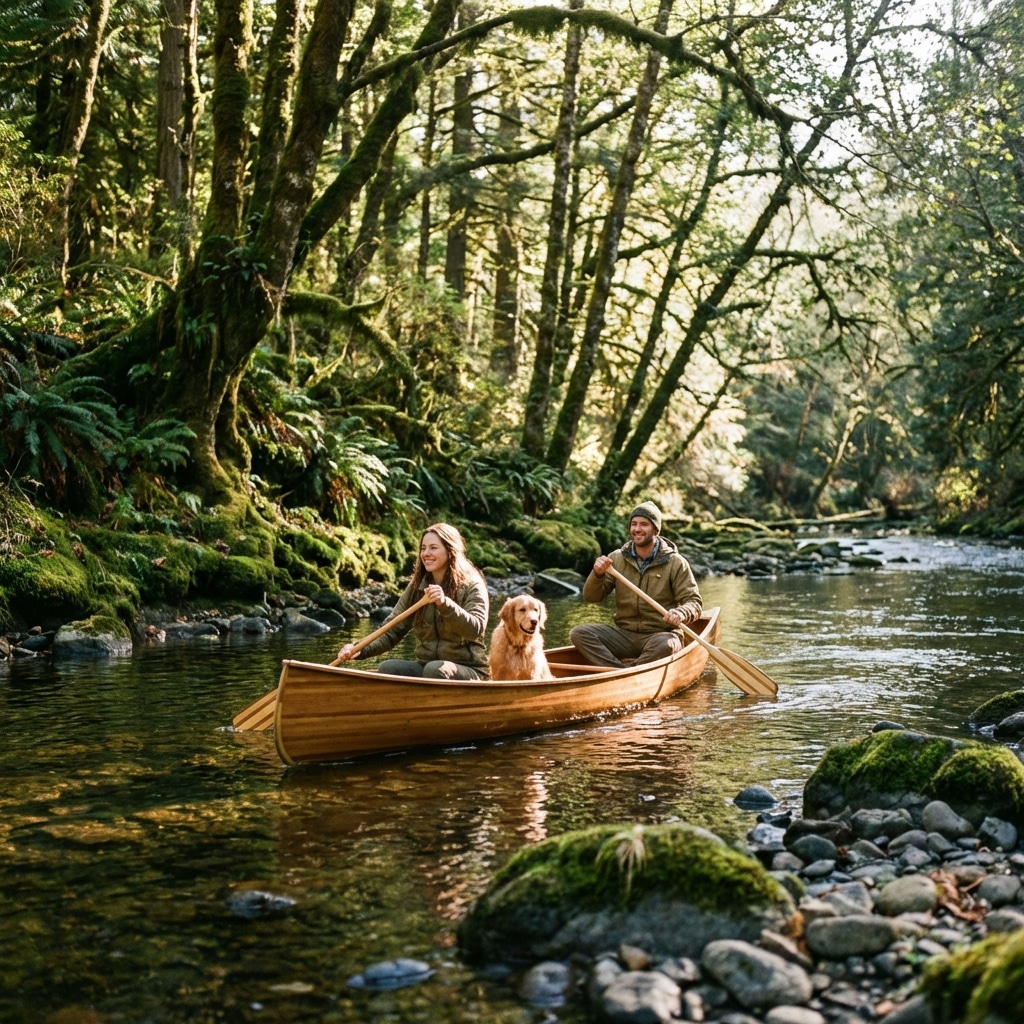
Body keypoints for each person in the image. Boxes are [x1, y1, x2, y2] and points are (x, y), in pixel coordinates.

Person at [335, 522, 490, 679]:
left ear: (450, 551)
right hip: (427, 667)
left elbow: (474, 630)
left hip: (470, 669)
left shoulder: (472, 584)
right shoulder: (417, 587)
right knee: (388, 668)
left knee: (435, 669)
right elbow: (392, 630)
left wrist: (445, 604)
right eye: (423, 548)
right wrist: (358, 649)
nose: (426, 553)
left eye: (433, 548)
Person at [570, 502, 702, 667]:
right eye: (634, 524)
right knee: (579, 633)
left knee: (666, 645)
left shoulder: (675, 562)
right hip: (624, 635)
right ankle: (619, 671)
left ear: (656, 530)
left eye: (644, 524)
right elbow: (591, 597)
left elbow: (694, 602)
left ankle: (625, 672)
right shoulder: (616, 559)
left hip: (660, 634)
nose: (637, 529)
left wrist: (681, 612)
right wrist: (597, 574)